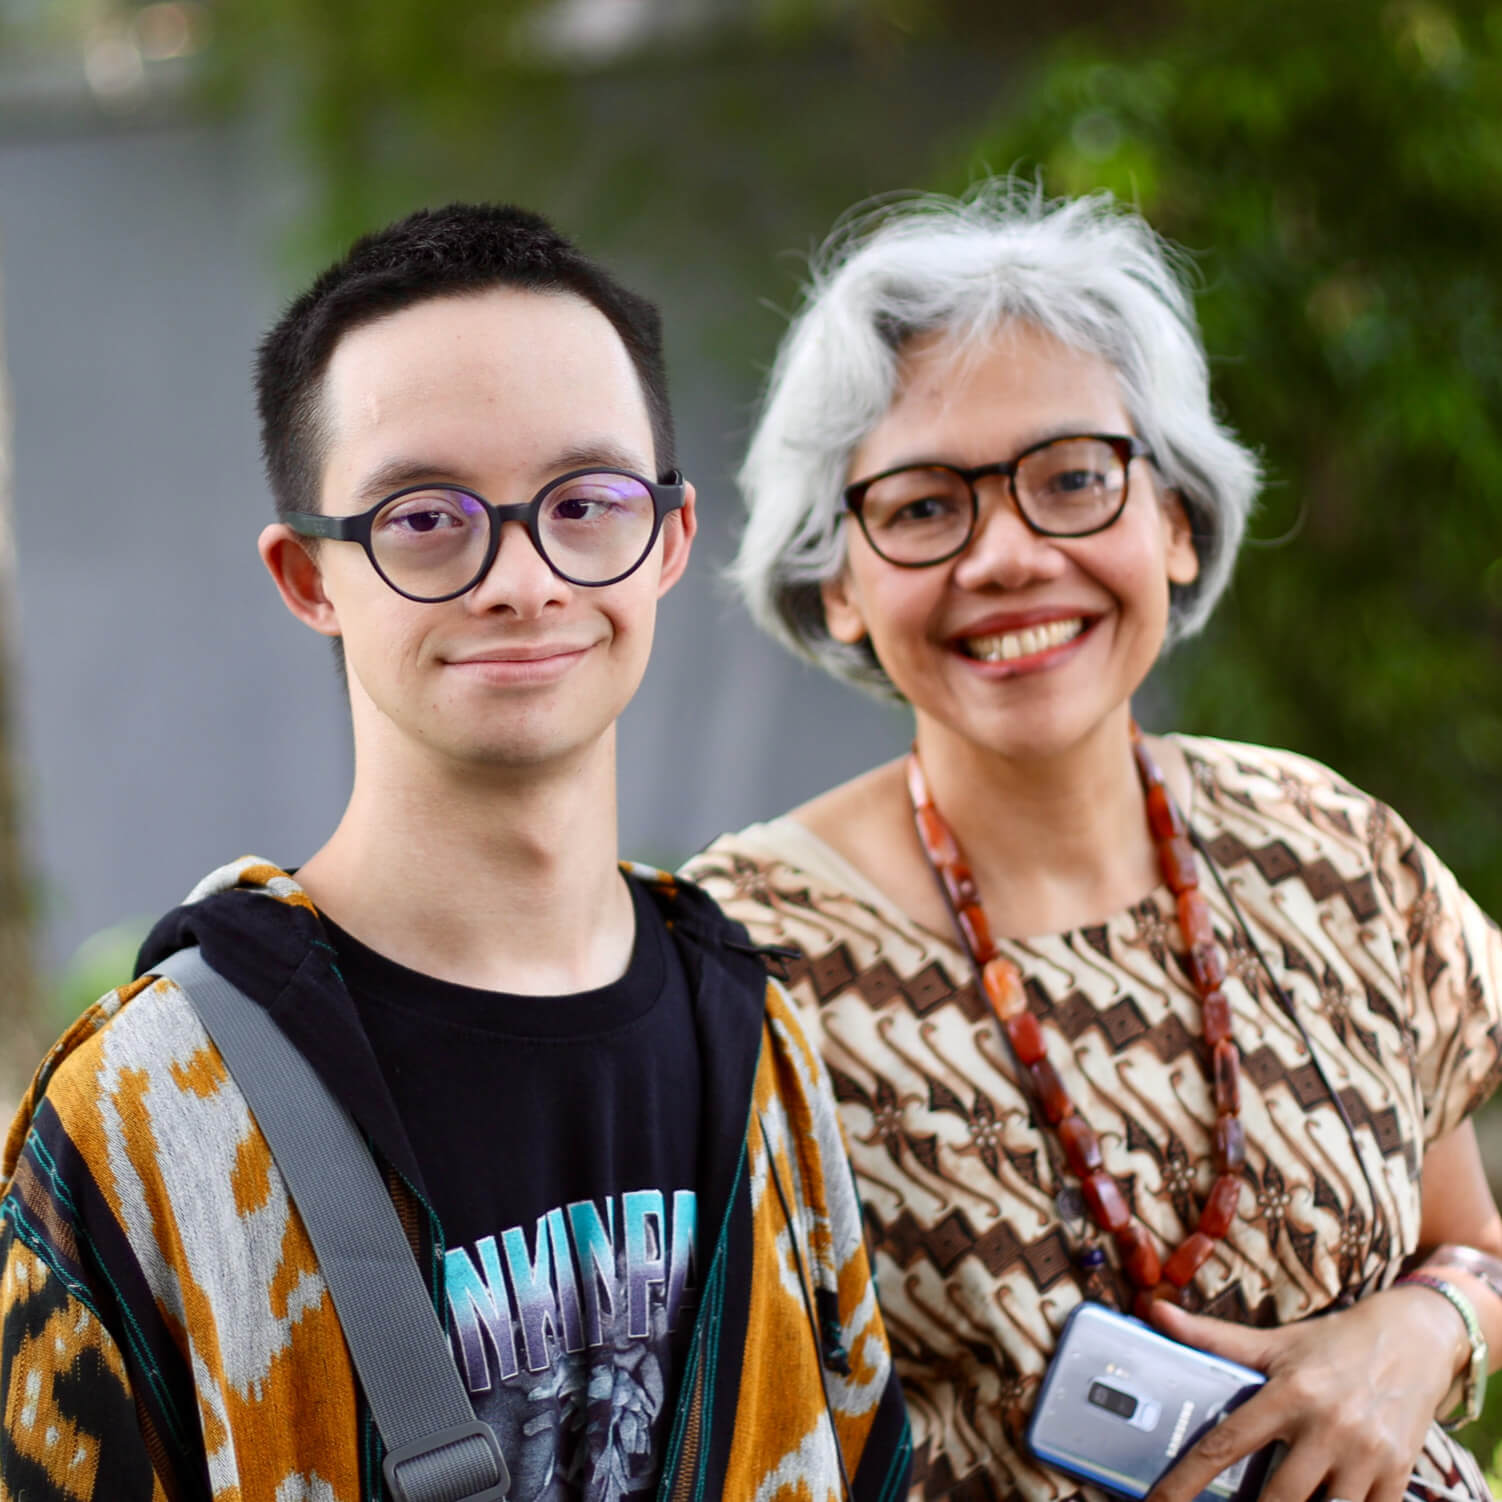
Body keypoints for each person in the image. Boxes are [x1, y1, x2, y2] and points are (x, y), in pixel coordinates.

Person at [0, 204, 911, 1502]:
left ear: (667, 540)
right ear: (309, 576)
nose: (521, 578)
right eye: (426, 516)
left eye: (584, 503)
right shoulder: (148, 1114)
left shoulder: (763, 1048)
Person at [681, 183, 1502, 1502]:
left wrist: (1423, 1331)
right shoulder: (739, 961)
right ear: (838, 577)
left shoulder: (1333, 849)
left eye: (1072, 478)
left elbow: (1468, 1244)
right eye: (922, 506)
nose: (1007, 555)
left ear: (1173, 520)